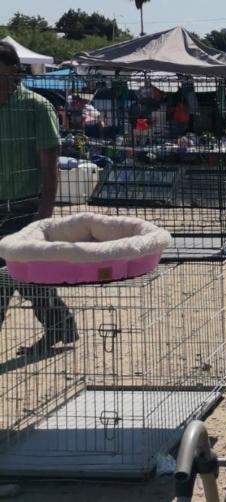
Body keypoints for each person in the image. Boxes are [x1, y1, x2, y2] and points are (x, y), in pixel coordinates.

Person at [0, 40, 77, 356]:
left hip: (25, 208)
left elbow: (49, 167)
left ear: (13, 71)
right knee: (22, 277)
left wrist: (43, 215)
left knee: (20, 275)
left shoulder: (36, 107)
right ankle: (62, 325)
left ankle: (61, 326)